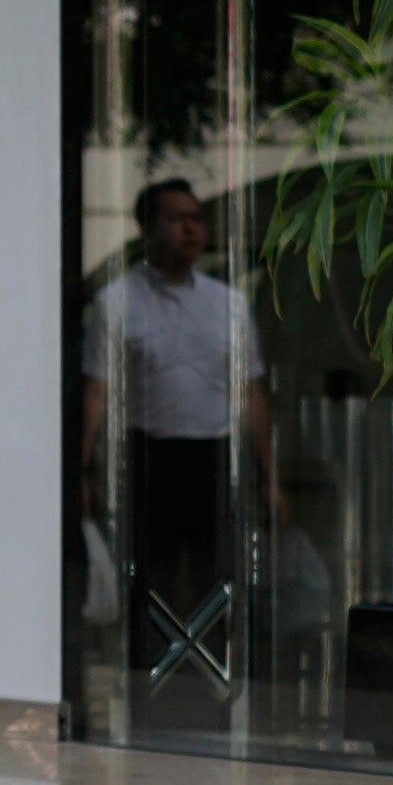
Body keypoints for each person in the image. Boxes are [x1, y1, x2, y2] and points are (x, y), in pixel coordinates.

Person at [78, 178, 269, 641]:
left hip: (215, 458)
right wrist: (80, 471)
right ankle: (150, 683)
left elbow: (249, 393)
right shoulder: (117, 302)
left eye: (196, 219)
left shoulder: (229, 304)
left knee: (218, 581)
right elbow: (97, 392)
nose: (190, 229)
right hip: (150, 459)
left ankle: (214, 681)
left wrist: (270, 475)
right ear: (146, 229)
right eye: (176, 219)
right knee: (151, 582)